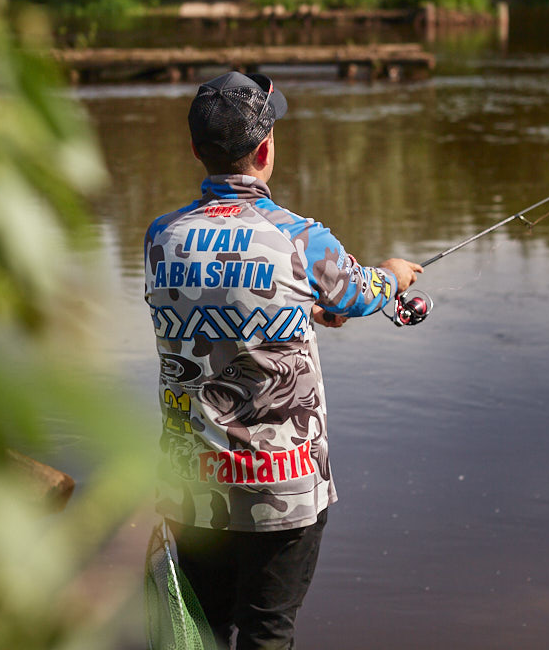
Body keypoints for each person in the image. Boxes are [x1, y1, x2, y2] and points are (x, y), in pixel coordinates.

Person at [143, 71, 422, 649]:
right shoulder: (300, 238)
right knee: (269, 631)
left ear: (196, 149)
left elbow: (212, 303)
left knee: (204, 629)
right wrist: (394, 274)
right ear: (266, 149)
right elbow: (359, 292)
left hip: (190, 489)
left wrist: (301, 314)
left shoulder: (159, 237)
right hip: (283, 490)